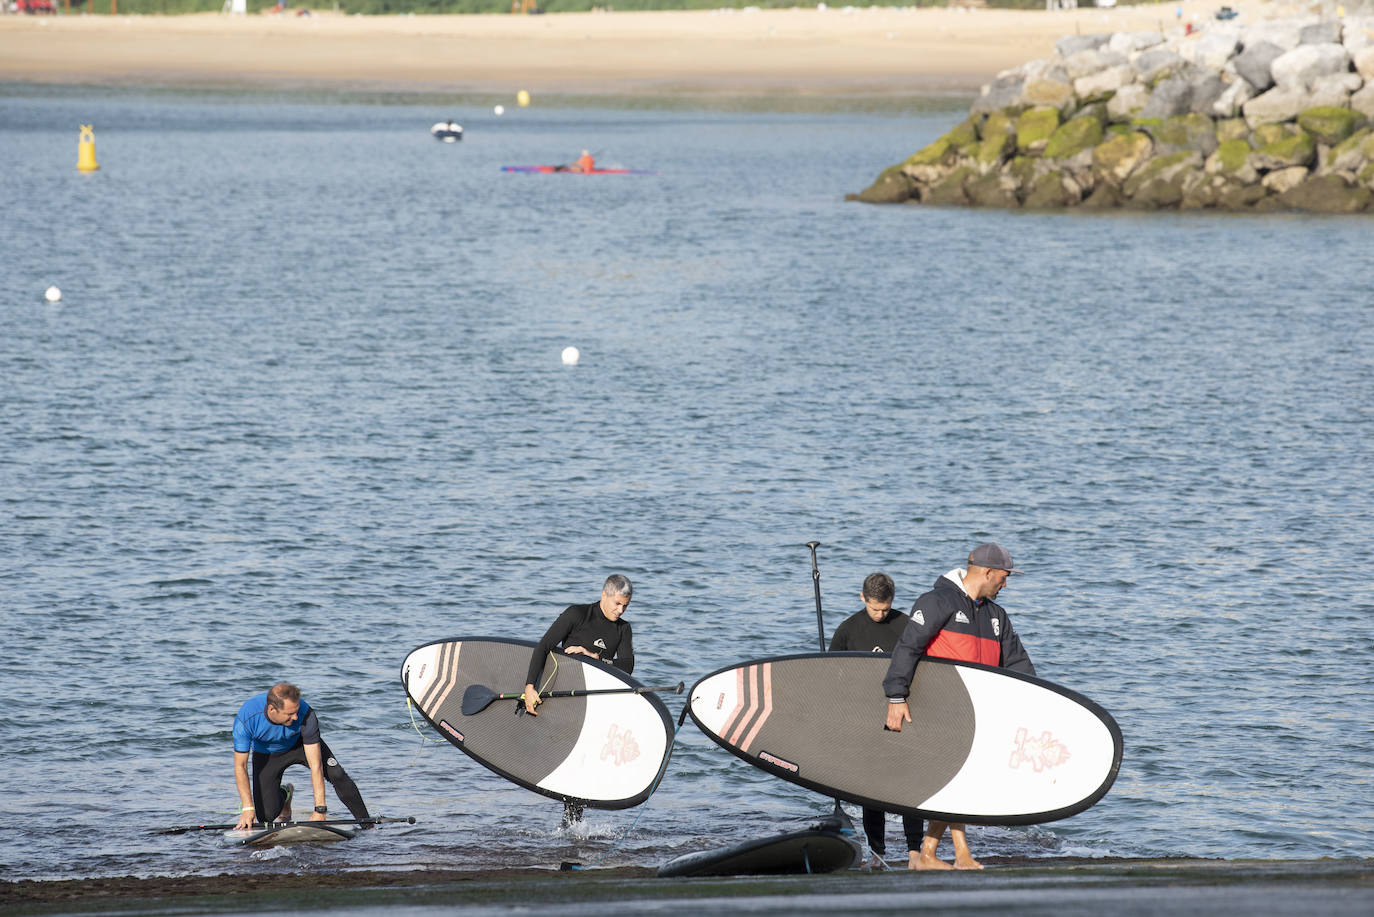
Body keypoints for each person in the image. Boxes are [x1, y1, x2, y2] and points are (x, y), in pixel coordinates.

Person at [882, 543, 1035, 870]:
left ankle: (936, 854)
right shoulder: (937, 602)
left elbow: (1019, 664)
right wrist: (896, 698)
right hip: (941, 711)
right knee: (958, 780)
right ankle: (941, 854)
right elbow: (907, 648)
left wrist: (1038, 704)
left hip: (981, 716)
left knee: (967, 780)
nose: (1005, 585)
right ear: (988, 572)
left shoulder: (996, 616)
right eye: (1004, 577)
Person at [829, 572, 923, 871]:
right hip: (864, 718)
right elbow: (831, 675)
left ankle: (914, 850)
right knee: (872, 791)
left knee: (909, 786)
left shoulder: (906, 626)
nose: (881, 614)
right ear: (862, 599)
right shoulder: (848, 630)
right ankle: (877, 853)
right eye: (874, 609)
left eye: (885, 608)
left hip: (902, 715)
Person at [523, 574, 635, 825]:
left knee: (585, 762)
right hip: (567, 698)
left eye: (626, 606)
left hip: (597, 704)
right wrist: (530, 687)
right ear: (604, 594)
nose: (621, 610)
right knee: (573, 759)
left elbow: (627, 667)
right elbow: (543, 647)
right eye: (617, 603)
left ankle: (570, 826)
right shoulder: (577, 614)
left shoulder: (623, 629)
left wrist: (592, 656)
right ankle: (569, 823)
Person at [232, 682, 370, 830]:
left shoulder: (306, 713)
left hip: (301, 745)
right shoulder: (247, 718)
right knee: (265, 815)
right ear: (272, 709)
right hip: (268, 753)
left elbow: (316, 765)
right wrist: (247, 809)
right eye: (290, 714)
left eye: (296, 711)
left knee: (337, 774)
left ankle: (368, 825)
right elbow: (241, 766)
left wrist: (320, 810)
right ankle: (285, 794)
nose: (296, 717)